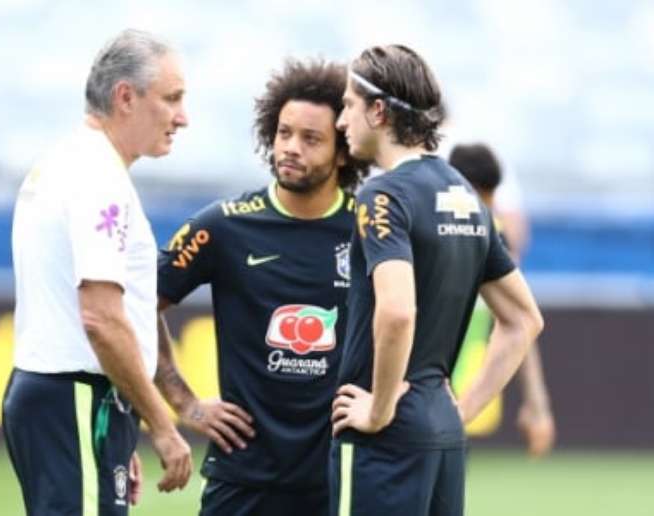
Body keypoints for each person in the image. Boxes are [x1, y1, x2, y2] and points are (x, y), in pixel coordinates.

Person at [330, 44, 544, 516]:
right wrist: (460, 411)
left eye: (347, 105)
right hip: (441, 431)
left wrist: (380, 408)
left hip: (386, 438)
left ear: (379, 111)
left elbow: (398, 310)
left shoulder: (383, 194)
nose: (341, 121)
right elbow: (525, 319)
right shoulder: (464, 193)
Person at [153, 59, 369, 515]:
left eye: (311, 139)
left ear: (344, 151)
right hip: (242, 479)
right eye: (284, 132)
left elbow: (412, 318)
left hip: (337, 477)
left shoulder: (370, 230)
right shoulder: (223, 226)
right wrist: (185, 403)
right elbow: (136, 306)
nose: (291, 148)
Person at [3, 29, 193, 516]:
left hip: (77, 402)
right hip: (76, 399)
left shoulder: (68, 162)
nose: (182, 118)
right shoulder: (98, 179)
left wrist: (120, 427)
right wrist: (162, 427)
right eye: (171, 99)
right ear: (125, 97)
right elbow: (102, 318)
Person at [448, 143, 555, 457]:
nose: (488, 210)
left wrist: (537, 404)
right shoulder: (479, 233)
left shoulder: (491, 236)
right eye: (485, 198)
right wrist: (537, 405)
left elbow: (520, 321)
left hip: (452, 390)